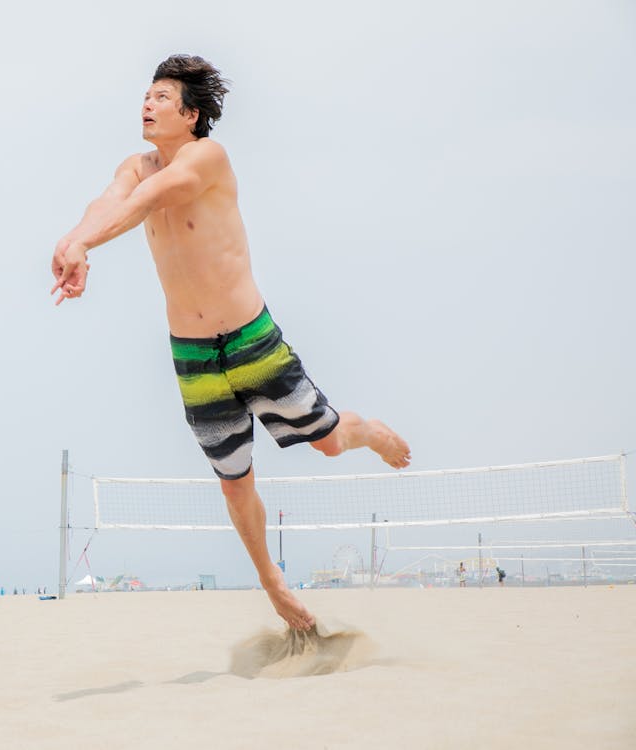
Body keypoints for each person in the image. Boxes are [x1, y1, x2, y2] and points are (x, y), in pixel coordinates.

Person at [51, 55, 411, 631]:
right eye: (146, 95)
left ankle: (361, 430)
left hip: (250, 338)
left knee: (325, 443)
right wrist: (73, 240)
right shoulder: (135, 165)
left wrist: (86, 245)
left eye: (162, 98)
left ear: (191, 115)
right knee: (234, 480)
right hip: (193, 355)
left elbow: (153, 199)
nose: (147, 104)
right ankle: (274, 586)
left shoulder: (206, 158)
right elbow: (111, 200)